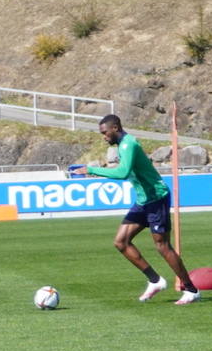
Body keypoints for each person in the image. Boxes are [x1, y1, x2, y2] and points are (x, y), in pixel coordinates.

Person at [72, 114, 199, 304]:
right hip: (143, 200)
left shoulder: (128, 144)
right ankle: (155, 281)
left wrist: (91, 170)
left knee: (162, 246)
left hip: (156, 198)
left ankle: (191, 290)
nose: (104, 137)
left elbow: (122, 172)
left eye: (105, 133)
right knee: (121, 242)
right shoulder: (122, 146)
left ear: (115, 128)